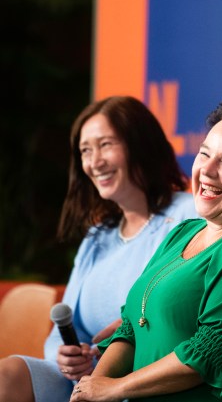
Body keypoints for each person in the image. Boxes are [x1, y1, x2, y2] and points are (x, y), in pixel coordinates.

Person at [69, 96, 222, 402]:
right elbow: (131, 328)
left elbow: (207, 356)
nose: (207, 170)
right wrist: (92, 387)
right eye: (204, 154)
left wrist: (114, 389)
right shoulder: (183, 233)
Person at [0, 95, 196, 402]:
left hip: (145, 379)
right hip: (82, 383)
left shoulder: (190, 213)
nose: (94, 161)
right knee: (5, 376)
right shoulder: (97, 236)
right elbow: (62, 332)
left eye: (105, 145)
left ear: (140, 144)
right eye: (85, 151)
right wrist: (65, 357)